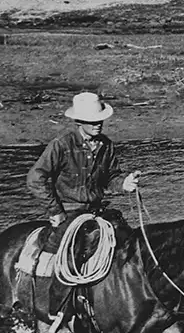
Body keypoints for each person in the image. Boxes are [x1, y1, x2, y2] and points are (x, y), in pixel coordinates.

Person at [27, 91, 140, 254]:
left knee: (128, 243)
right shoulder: (62, 145)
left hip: (97, 209)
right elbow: (35, 179)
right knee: (63, 254)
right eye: (92, 121)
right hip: (68, 211)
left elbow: (110, 177)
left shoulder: (106, 145)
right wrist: (56, 211)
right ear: (79, 121)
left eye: (99, 120)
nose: (98, 124)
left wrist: (124, 183)